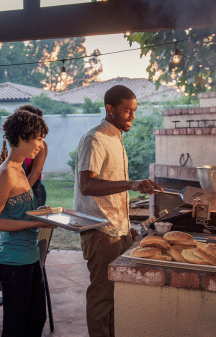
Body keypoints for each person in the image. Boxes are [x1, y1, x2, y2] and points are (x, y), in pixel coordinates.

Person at [74, 85, 163, 337]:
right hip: (100, 231)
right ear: (110, 109)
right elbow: (87, 185)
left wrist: (127, 227)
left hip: (117, 229)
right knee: (102, 297)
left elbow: (112, 189)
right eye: (127, 110)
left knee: (117, 296)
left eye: (134, 110)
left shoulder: (116, 139)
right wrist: (133, 184)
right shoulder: (95, 139)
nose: (132, 116)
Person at [0, 109, 54, 337]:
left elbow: (18, 211)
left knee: (36, 318)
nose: (41, 145)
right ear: (22, 138)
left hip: (29, 256)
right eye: (38, 138)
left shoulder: (20, 168)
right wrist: (33, 223)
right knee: (16, 327)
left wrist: (38, 214)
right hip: (12, 261)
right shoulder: (6, 174)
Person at [0, 105, 48, 208]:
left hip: (33, 187)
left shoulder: (41, 146)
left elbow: (35, 172)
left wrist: (20, 194)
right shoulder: (21, 145)